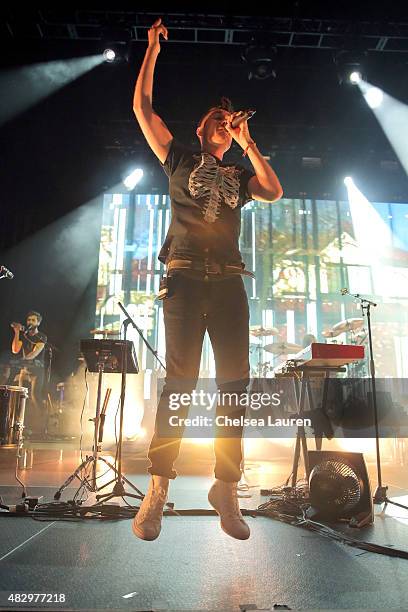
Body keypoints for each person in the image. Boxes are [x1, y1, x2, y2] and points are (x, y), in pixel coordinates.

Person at [132, 18, 283, 541]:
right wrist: (151, 48)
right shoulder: (176, 157)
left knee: (233, 388)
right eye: (216, 119)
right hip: (184, 282)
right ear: (200, 128)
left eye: (228, 119)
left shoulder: (239, 175)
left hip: (228, 285)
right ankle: (157, 489)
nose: (223, 121)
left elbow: (273, 189)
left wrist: (248, 142)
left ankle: (226, 486)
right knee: (180, 386)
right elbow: (143, 110)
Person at [10, 311, 47, 436]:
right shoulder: (23, 335)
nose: (30, 322)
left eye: (33, 320)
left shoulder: (41, 337)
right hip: (25, 370)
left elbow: (34, 354)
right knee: (21, 398)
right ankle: (22, 426)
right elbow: (15, 350)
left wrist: (24, 360)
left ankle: (41, 426)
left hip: (37, 371)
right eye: (29, 320)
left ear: (38, 322)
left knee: (35, 396)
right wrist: (16, 332)